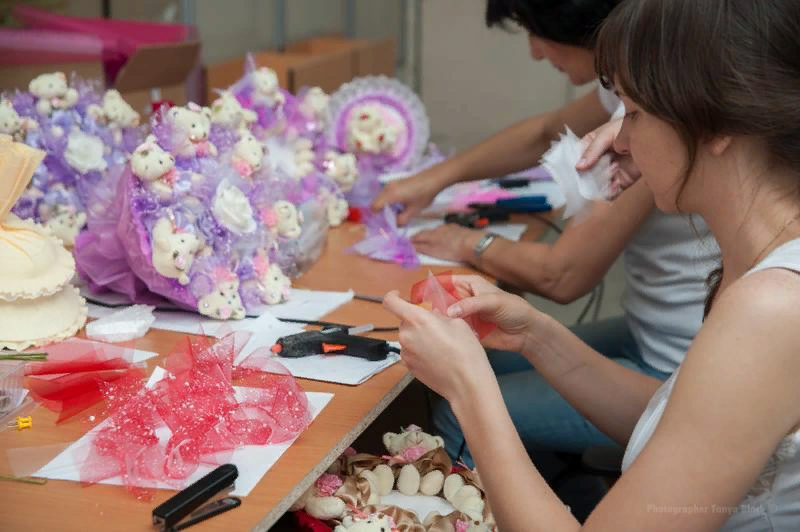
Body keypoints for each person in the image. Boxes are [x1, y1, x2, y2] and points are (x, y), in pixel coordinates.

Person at [383, 0, 800, 529]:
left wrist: (469, 386)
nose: (619, 140)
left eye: (636, 113)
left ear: (717, 124)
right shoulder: (760, 269)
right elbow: (682, 426)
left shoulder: (771, 309)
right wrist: (538, 335)